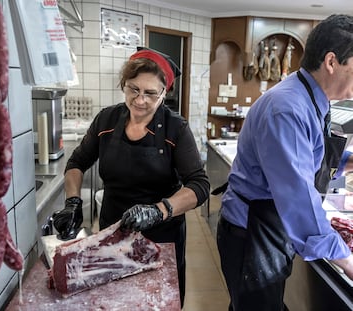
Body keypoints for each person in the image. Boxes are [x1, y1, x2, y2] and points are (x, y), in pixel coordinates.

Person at [53, 46, 210, 306]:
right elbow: (77, 162)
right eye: (133, 89)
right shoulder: (107, 120)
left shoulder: (176, 128)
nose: (140, 100)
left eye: (150, 93)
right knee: (115, 302)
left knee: (156, 303)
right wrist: (72, 202)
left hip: (160, 235)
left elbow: (199, 185)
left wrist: (158, 210)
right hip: (112, 232)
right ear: (123, 84)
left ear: (164, 93)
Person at [216, 14, 353, 311]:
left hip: (269, 225)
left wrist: (348, 161)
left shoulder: (312, 97)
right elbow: (298, 199)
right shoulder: (287, 108)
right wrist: (347, 261)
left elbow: (309, 153)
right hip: (252, 232)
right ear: (332, 62)